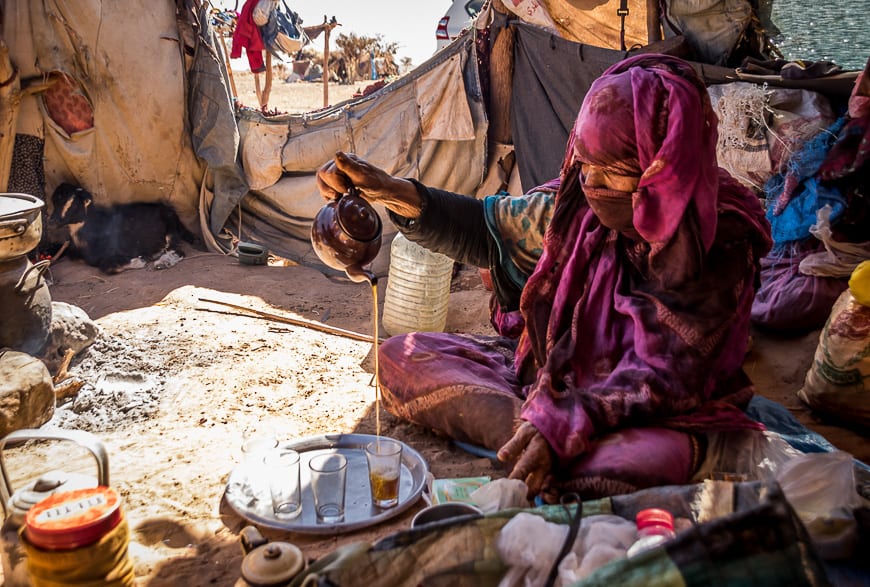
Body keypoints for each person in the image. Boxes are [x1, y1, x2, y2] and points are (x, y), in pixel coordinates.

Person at [316, 54, 773, 500]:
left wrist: (571, 417)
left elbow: (670, 373)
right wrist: (391, 192)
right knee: (399, 355)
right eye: (584, 163)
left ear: (661, 168)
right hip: (554, 380)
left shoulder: (720, 238)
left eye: (611, 173)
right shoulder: (575, 206)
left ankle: (553, 443)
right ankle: (540, 439)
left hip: (651, 408)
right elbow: (485, 228)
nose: (589, 183)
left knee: (630, 461)